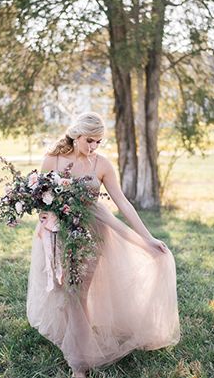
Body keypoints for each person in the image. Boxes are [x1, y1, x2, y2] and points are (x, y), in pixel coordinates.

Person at [26, 112, 180, 378]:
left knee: (77, 292)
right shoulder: (53, 159)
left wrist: (148, 238)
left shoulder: (103, 165)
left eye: (98, 141)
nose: (93, 146)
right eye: (89, 140)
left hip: (92, 232)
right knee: (64, 291)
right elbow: (41, 198)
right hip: (58, 232)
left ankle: (79, 364)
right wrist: (45, 215)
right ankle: (76, 337)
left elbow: (123, 203)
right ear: (76, 136)